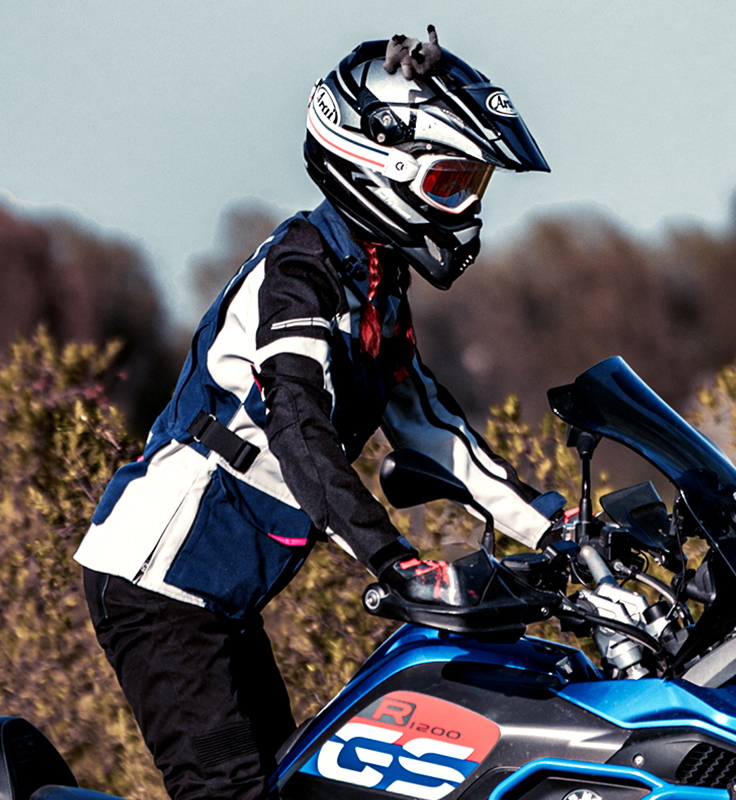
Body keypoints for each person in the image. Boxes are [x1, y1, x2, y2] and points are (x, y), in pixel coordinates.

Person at [75, 27, 564, 800]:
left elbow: (433, 427)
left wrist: (555, 526)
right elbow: (296, 428)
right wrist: (393, 560)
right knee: (232, 791)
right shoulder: (300, 272)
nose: (466, 209)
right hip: (159, 583)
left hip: (215, 593)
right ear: (379, 169)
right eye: (449, 183)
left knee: (294, 785)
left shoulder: (375, 282)